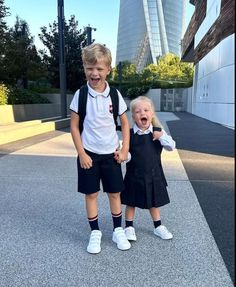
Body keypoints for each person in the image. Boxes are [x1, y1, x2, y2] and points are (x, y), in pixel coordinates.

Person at [70, 43, 131, 254]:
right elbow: (74, 126)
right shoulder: (81, 94)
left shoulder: (114, 94)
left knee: (115, 194)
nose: (94, 73)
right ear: (85, 68)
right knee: (92, 194)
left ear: (108, 70)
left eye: (99, 69)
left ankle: (117, 230)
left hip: (111, 155)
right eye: (89, 68)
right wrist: (81, 153)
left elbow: (125, 123)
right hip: (89, 155)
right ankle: (95, 232)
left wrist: (124, 150)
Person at [119, 96, 176, 242]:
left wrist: (161, 135)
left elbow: (171, 147)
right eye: (137, 111)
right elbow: (128, 154)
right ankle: (129, 227)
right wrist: (124, 156)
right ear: (133, 116)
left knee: (154, 201)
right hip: (134, 174)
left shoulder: (157, 132)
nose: (142, 113)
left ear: (152, 114)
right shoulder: (130, 135)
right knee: (131, 201)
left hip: (153, 174)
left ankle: (158, 226)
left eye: (146, 110)